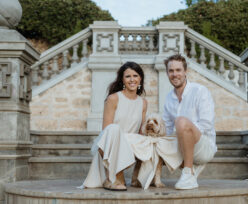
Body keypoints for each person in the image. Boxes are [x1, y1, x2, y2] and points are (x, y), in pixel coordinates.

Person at [80, 61, 147, 191]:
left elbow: (140, 133)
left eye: (135, 76)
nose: (132, 79)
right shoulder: (113, 98)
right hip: (109, 144)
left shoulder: (143, 103)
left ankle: (139, 177)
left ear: (140, 79)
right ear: (122, 79)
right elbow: (106, 131)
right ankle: (112, 176)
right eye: (128, 76)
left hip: (131, 146)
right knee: (113, 129)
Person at [163, 54, 217, 190]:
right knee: (156, 137)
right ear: (167, 73)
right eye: (171, 71)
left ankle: (188, 172)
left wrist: (182, 134)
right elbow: (167, 129)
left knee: (181, 122)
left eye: (178, 70)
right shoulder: (169, 98)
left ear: (185, 71)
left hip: (203, 146)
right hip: (181, 145)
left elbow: (206, 124)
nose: (175, 74)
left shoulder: (200, 91)